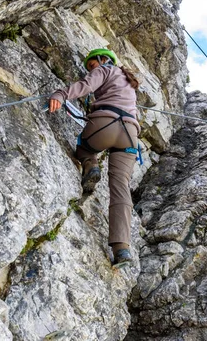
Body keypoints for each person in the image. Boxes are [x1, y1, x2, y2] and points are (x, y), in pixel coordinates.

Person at [48, 48, 140, 268]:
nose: (92, 68)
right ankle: (122, 249)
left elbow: (86, 86)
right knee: (120, 187)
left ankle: (91, 165)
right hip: (130, 135)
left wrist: (60, 94)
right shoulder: (130, 84)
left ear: (103, 60)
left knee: (84, 147)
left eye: (92, 64)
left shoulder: (106, 69)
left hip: (105, 124)